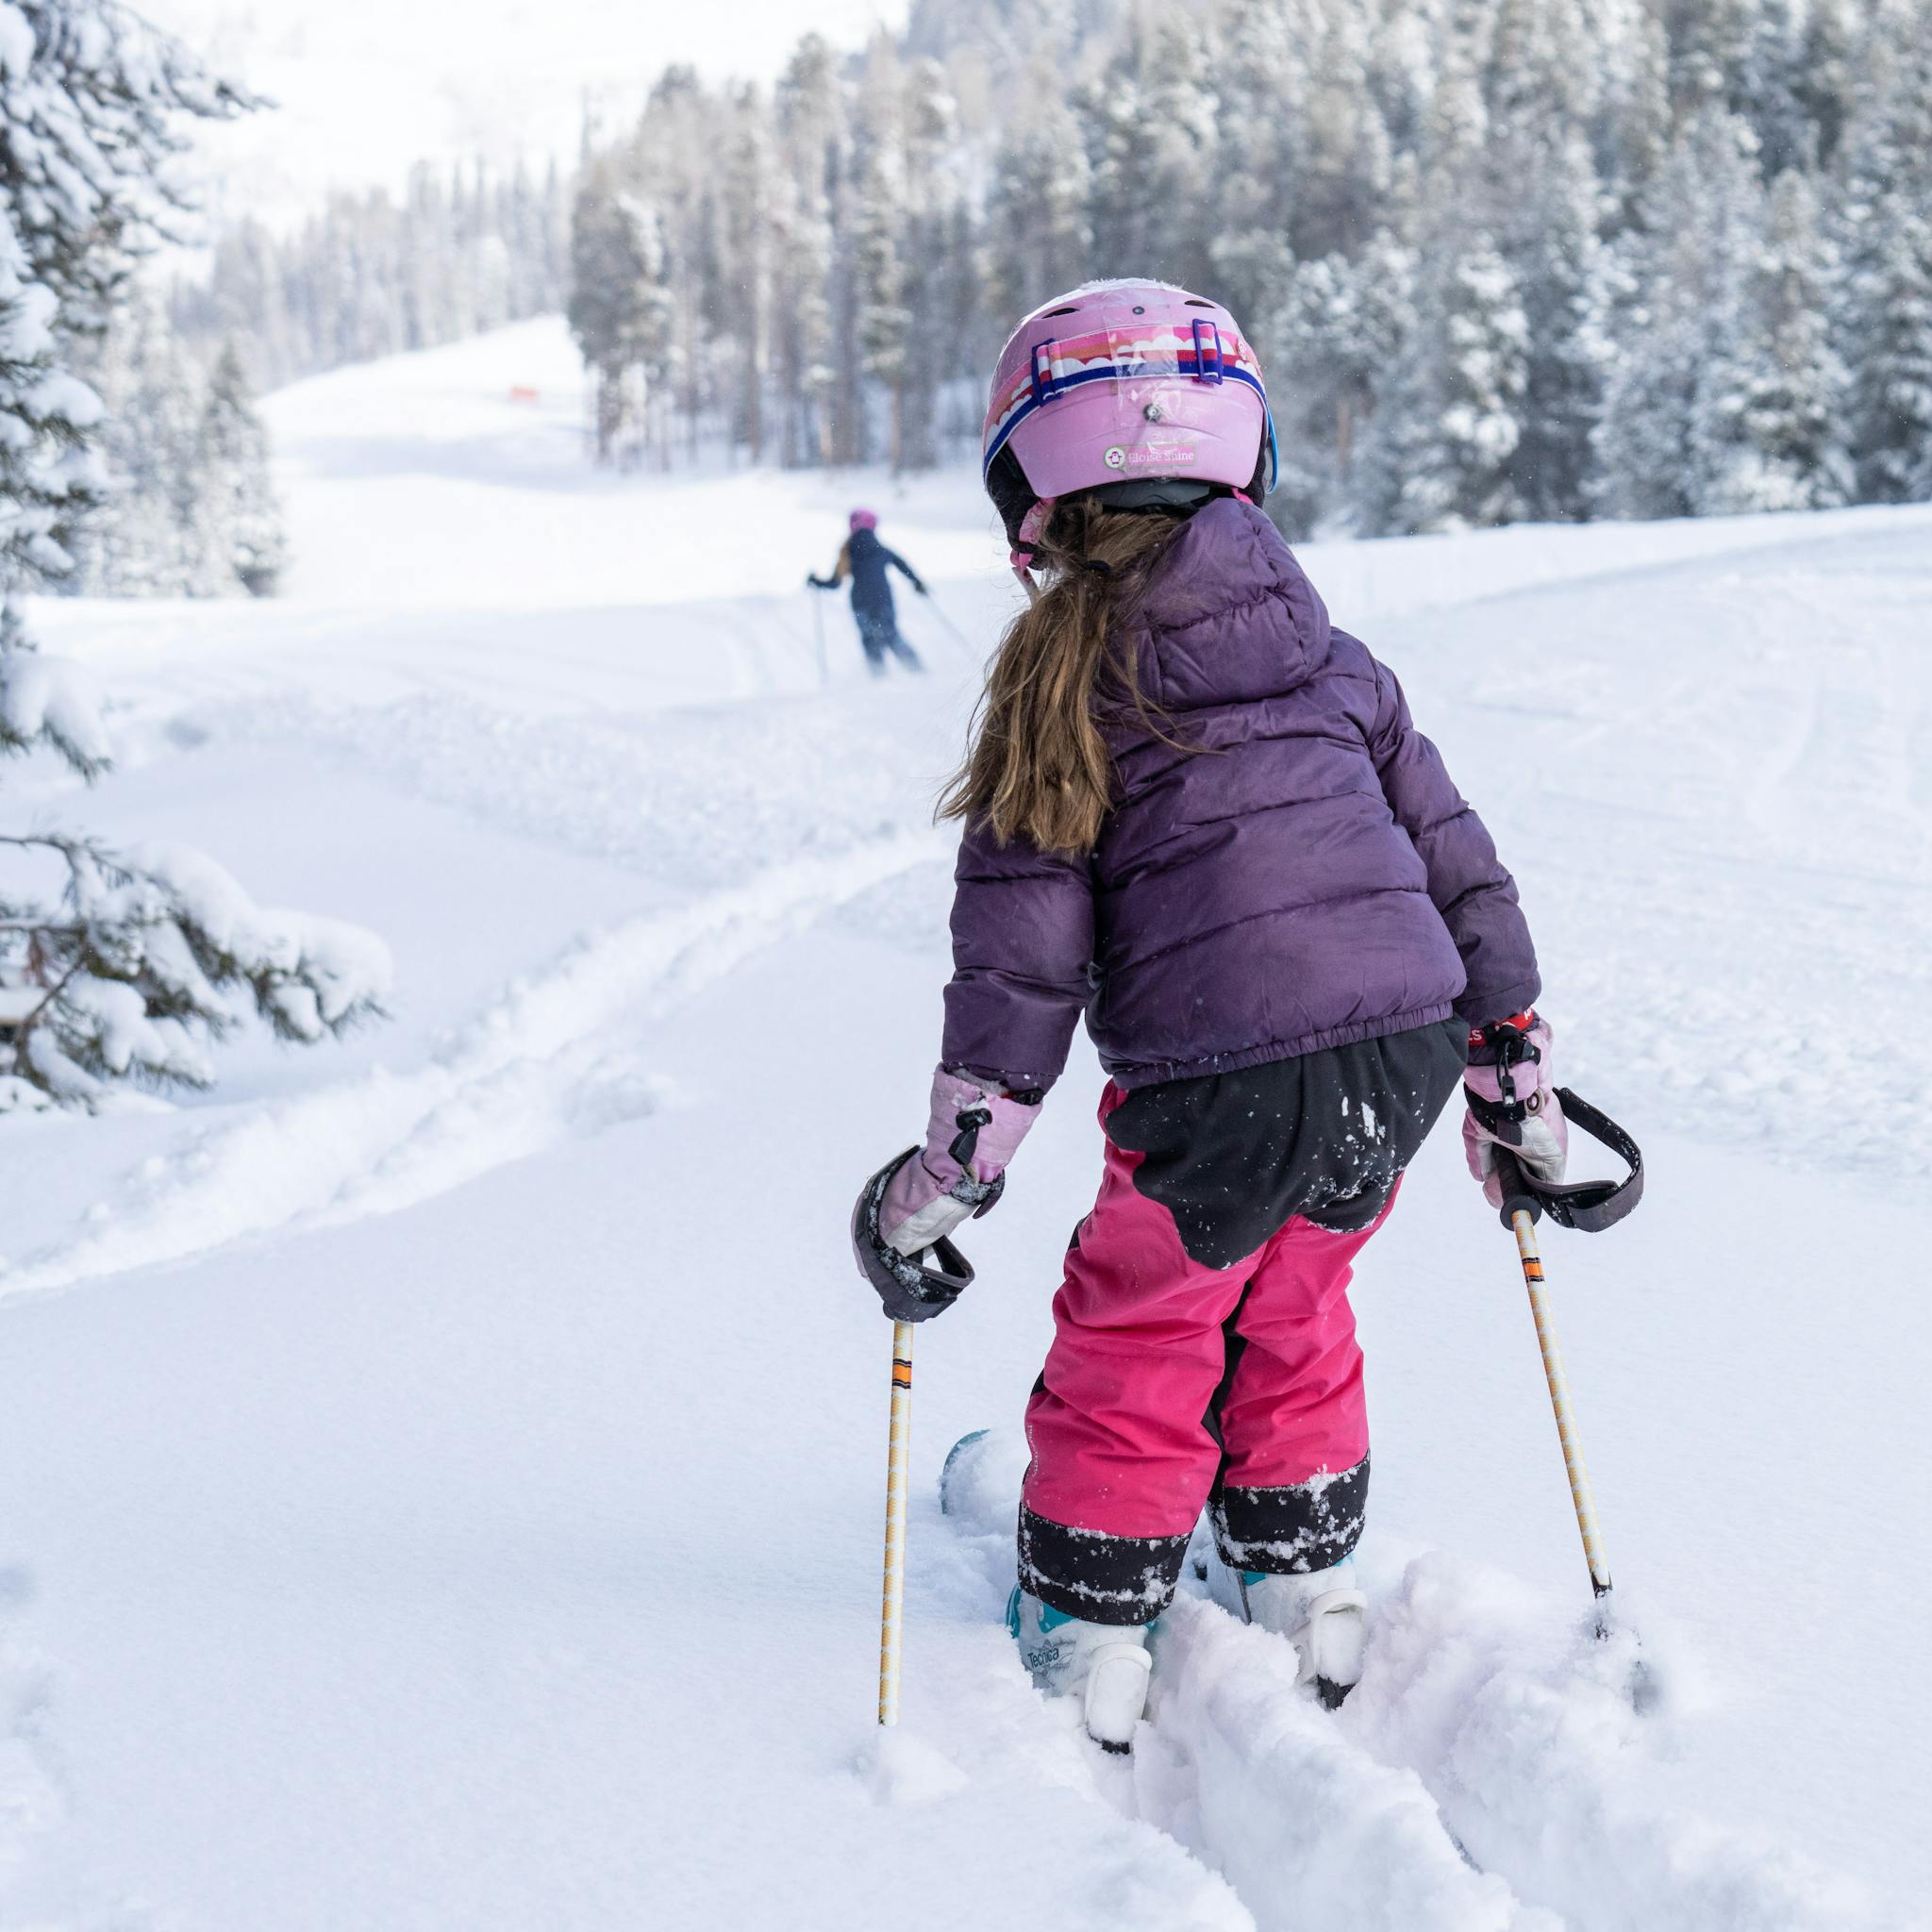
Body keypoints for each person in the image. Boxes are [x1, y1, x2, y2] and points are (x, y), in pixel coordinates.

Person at [850, 281, 1566, 1750]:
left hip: (1211, 1089)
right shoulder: (1335, 661)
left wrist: (947, 1180)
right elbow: (1463, 874)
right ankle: (1301, 1570)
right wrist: (1517, 1083)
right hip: (1401, 1058)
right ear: (1247, 459)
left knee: (1147, 1322)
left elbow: (1020, 974)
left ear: (1033, 494)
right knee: (1298, 1296)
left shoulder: (1055, 701)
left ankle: (1097, 1606)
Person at [808, 508, 926, 675]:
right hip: (882, 599)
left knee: (869, 639)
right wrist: (917, 583)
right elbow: (902, 564)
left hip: (860, 603)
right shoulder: (880, 549)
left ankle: (879, 677)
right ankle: (919, 672)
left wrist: (816, 582)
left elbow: (835, 583)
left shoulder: (847, 552)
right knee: (891, 635)